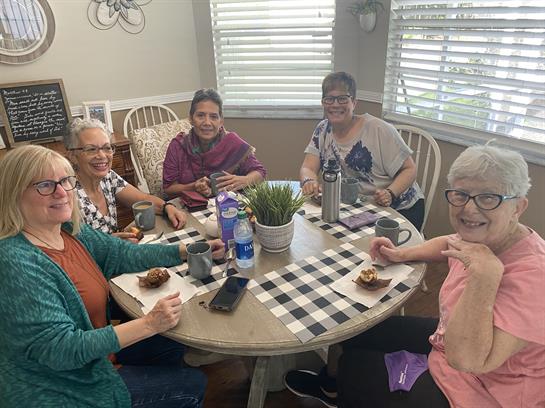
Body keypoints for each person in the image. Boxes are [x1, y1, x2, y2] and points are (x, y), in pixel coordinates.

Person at [285, 144, 544, 408]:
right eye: (461, 194)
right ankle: (333, 389)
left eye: (488, 198)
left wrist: (485, 276)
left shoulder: (534, 277)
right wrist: (400, 254)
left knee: (356, 367)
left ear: (518, 207)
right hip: (448, 339)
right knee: (355, 330)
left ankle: (345, 391)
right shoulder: (485, 237)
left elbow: (466, 361)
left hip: (485, 388)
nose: (469, 209)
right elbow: (451, 242)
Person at [0, 145, 226, 407]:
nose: (61, 192)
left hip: (95, 355)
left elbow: (122, 253)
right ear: (14, 194)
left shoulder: (67, 230)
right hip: (62, 384)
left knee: (171, 343)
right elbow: (60, 349)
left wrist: (186, 251)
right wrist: (150, 324)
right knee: (192, 384)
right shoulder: (15, 261)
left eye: (65, 181)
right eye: (44, 185)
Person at [299, 72, 425, 230]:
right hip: (358, 208)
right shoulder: (322, 129)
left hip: (400, 208)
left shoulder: (378, 129)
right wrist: (309, 181)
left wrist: (390, 193)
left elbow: (410, 169)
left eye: (342, 98)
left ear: (354, 102)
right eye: (329, 99)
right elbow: (308, 167)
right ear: (323, 103)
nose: (335, 105)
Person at [64, 118, 187, 241]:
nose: (102, 155)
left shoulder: (108, 177)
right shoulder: (67, 195)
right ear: (72, 156)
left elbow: (143, 199)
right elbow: (72, 247)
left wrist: (167, 207)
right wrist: (114, 243)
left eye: (107, 148)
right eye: (91, 149)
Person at [162, 88, 266, 197]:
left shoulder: (232, 143)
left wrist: (245, 180)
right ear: (191, 119)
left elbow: (260, 172)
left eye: (213, 117)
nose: (207, 122)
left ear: (221, 121)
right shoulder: (178, 146)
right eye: (200, 115)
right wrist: (193, 186)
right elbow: (169, 188)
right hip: (189, 204)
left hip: (227, 204)